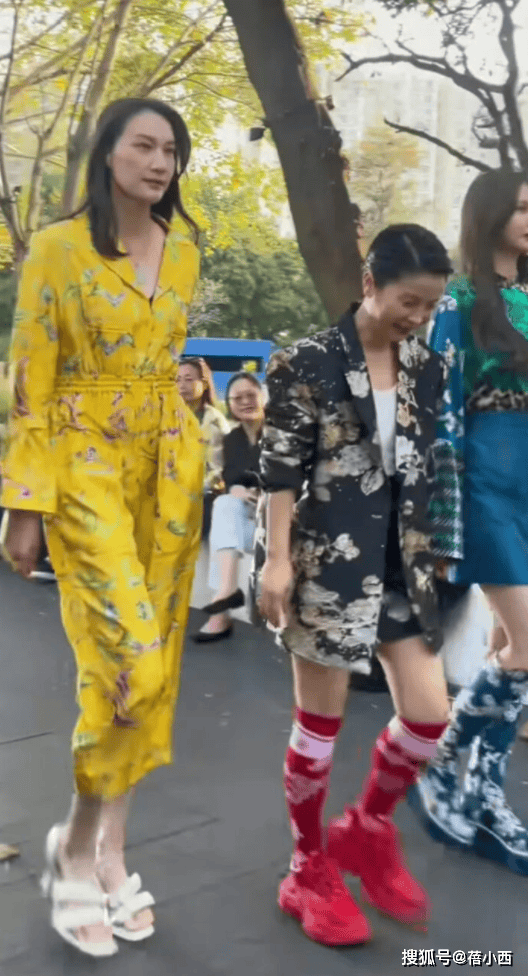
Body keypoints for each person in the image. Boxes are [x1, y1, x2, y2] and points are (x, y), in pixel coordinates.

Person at [0, 98, 203, 957]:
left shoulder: (184, 249)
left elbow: (170, 359)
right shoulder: (56, 248)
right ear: (108, 153)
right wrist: (23, 504)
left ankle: (110, 851)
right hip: (83, 462)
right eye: (143, 145)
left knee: (158, 671)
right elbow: (29, 378)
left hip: (169, 469)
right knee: (128, 660)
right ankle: (75, 848)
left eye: (171, 150)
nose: (158, 162)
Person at [256, 224, 453, 947]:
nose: (417, 318)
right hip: (326, 561)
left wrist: (439, 549)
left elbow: (426, 462)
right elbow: (279, 471)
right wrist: (277, 561)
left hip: (403, 562)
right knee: (319, 728)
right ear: (370, 283)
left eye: (429, 307)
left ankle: (366, 828)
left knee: (428, 718)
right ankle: (306, 867)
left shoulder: (427, 367)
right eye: (408, 302)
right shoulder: (306, 361)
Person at [408, 168, 528, 876]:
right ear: (489, 216)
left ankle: (477, 792)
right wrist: (442, 514)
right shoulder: (458, 300)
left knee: (508, 647)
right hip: (485, 480)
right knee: (526, 647)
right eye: (521, 208)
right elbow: (439, 408)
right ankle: (453, 770)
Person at [193, 371, 264, 643]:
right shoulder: (233, 438)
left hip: (280, 519)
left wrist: (264, 493)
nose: (245, 402)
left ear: (262, 396)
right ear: (231, 404)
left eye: (250, 395)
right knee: (224, 504)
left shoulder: (282, 434)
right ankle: (225, 595)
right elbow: (232, 476)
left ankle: (221, 608)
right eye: (238, 398)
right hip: (248, 517)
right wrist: (238, 490)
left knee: (225, 513)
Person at [176, 357, 229, 537]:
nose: (182, 386)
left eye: (189, 379)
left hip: (202, 495)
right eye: (177, 380)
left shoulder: (214, 421)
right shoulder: (166, 416)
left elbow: (217, 470)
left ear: (204, 384)